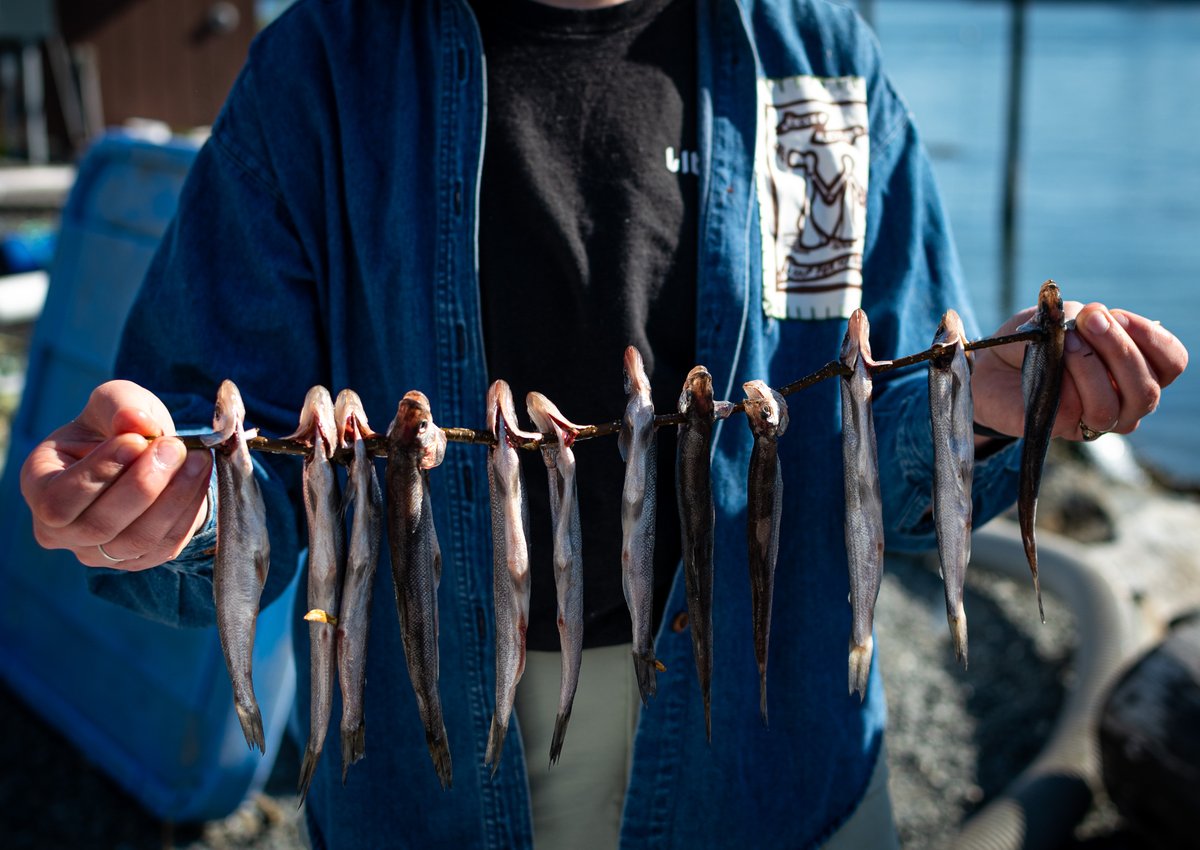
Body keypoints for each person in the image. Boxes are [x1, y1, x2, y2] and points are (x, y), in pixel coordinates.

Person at [18, 0, 1187, 848]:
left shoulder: (824, 64)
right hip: (433, 778)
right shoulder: (319, 70)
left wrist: (990, 411)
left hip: (783, 762)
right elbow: (240, 453)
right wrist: (172, 504)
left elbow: (891, 460)